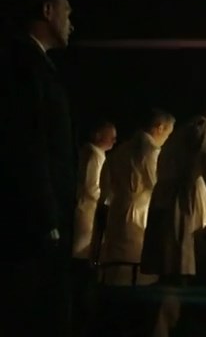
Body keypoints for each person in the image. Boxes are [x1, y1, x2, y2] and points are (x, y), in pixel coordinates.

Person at [0, 0, 77, 335]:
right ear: (47, 11)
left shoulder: (32, 64)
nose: (71, 21)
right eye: (66, 12)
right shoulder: (23, 66)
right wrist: (48, 219)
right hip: (33, 226)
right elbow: (29, 144)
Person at [140, 96, 206, 336]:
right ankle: (164, 329)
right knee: (178, 273)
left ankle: (161, 327)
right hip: (181, 204)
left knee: (168, 273)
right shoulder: (204, 126)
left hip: (165, 202)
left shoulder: (181, 132)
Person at [99, 109, 175, 285]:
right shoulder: (149, 152)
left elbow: (105, 190)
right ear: (160, 128)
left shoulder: (118, 152)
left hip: (116, 214)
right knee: (135, 271)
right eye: (168, 133)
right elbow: (159, 186)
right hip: (137, 217)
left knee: (117, 269)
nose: (167, 139)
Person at [71, 120, 116, 333]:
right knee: (83, 260)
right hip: (87, 214)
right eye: (111, 135)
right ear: (99, 135)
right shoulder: (93, 154)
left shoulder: (95, 154)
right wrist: (110, 198)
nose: (114, 140)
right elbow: (91, 188)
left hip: (89, 214)